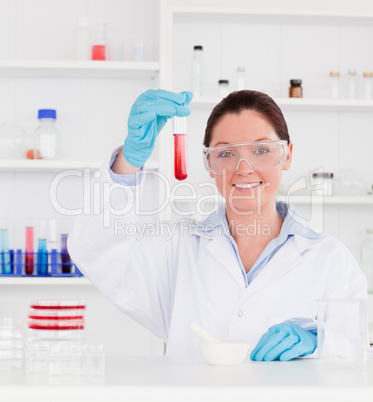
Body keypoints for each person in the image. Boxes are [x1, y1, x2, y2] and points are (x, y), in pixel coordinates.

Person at [68, 89, 367, 361]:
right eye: (226, 153)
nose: (244, 169)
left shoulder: (331, 259)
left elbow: (356, 358)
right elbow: (95, 250)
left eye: (261, 150)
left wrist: (319, 342)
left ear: (287, 155)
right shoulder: (177, 249)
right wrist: (128, 163)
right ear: (210, 165)